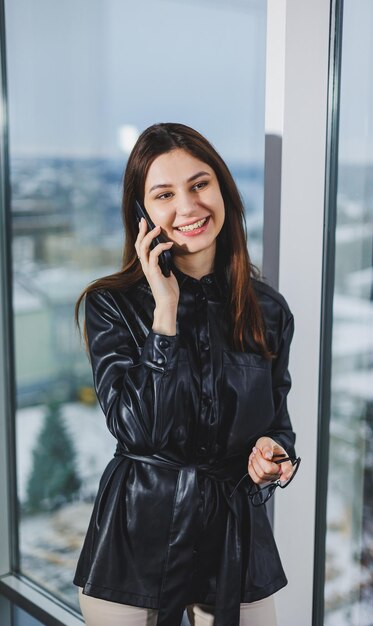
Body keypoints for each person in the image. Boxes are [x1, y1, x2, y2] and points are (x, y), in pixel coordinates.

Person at [73, 122, 299, 626]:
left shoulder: (269, 310)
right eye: (164, 194)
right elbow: (137, 430)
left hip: (235, 541)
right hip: (136, 543)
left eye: (199, 184)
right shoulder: (110, 304)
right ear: (141, 214)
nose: (189, 207)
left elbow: (278, 423)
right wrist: (165, 313)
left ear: (223, 188)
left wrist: (272, 453)